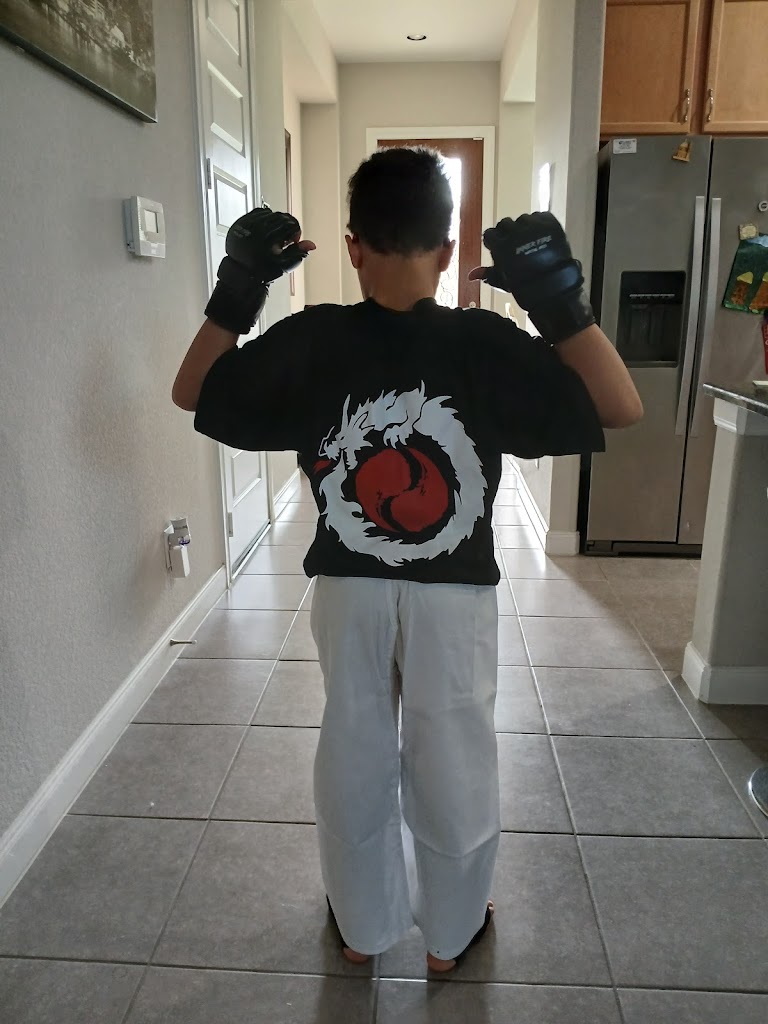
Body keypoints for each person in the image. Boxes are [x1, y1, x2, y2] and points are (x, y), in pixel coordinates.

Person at [172, 146, 642, 972]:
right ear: (450, 251)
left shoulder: (313, 336)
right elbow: (622, 405)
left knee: (353, 744)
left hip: (348, 589)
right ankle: (449, 940)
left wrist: (238, 290)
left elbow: (193, 390)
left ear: (352, 247)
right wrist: (556, 302)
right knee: (453, 753)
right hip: (451, 594)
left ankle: (362, 931)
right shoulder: (484, 341)